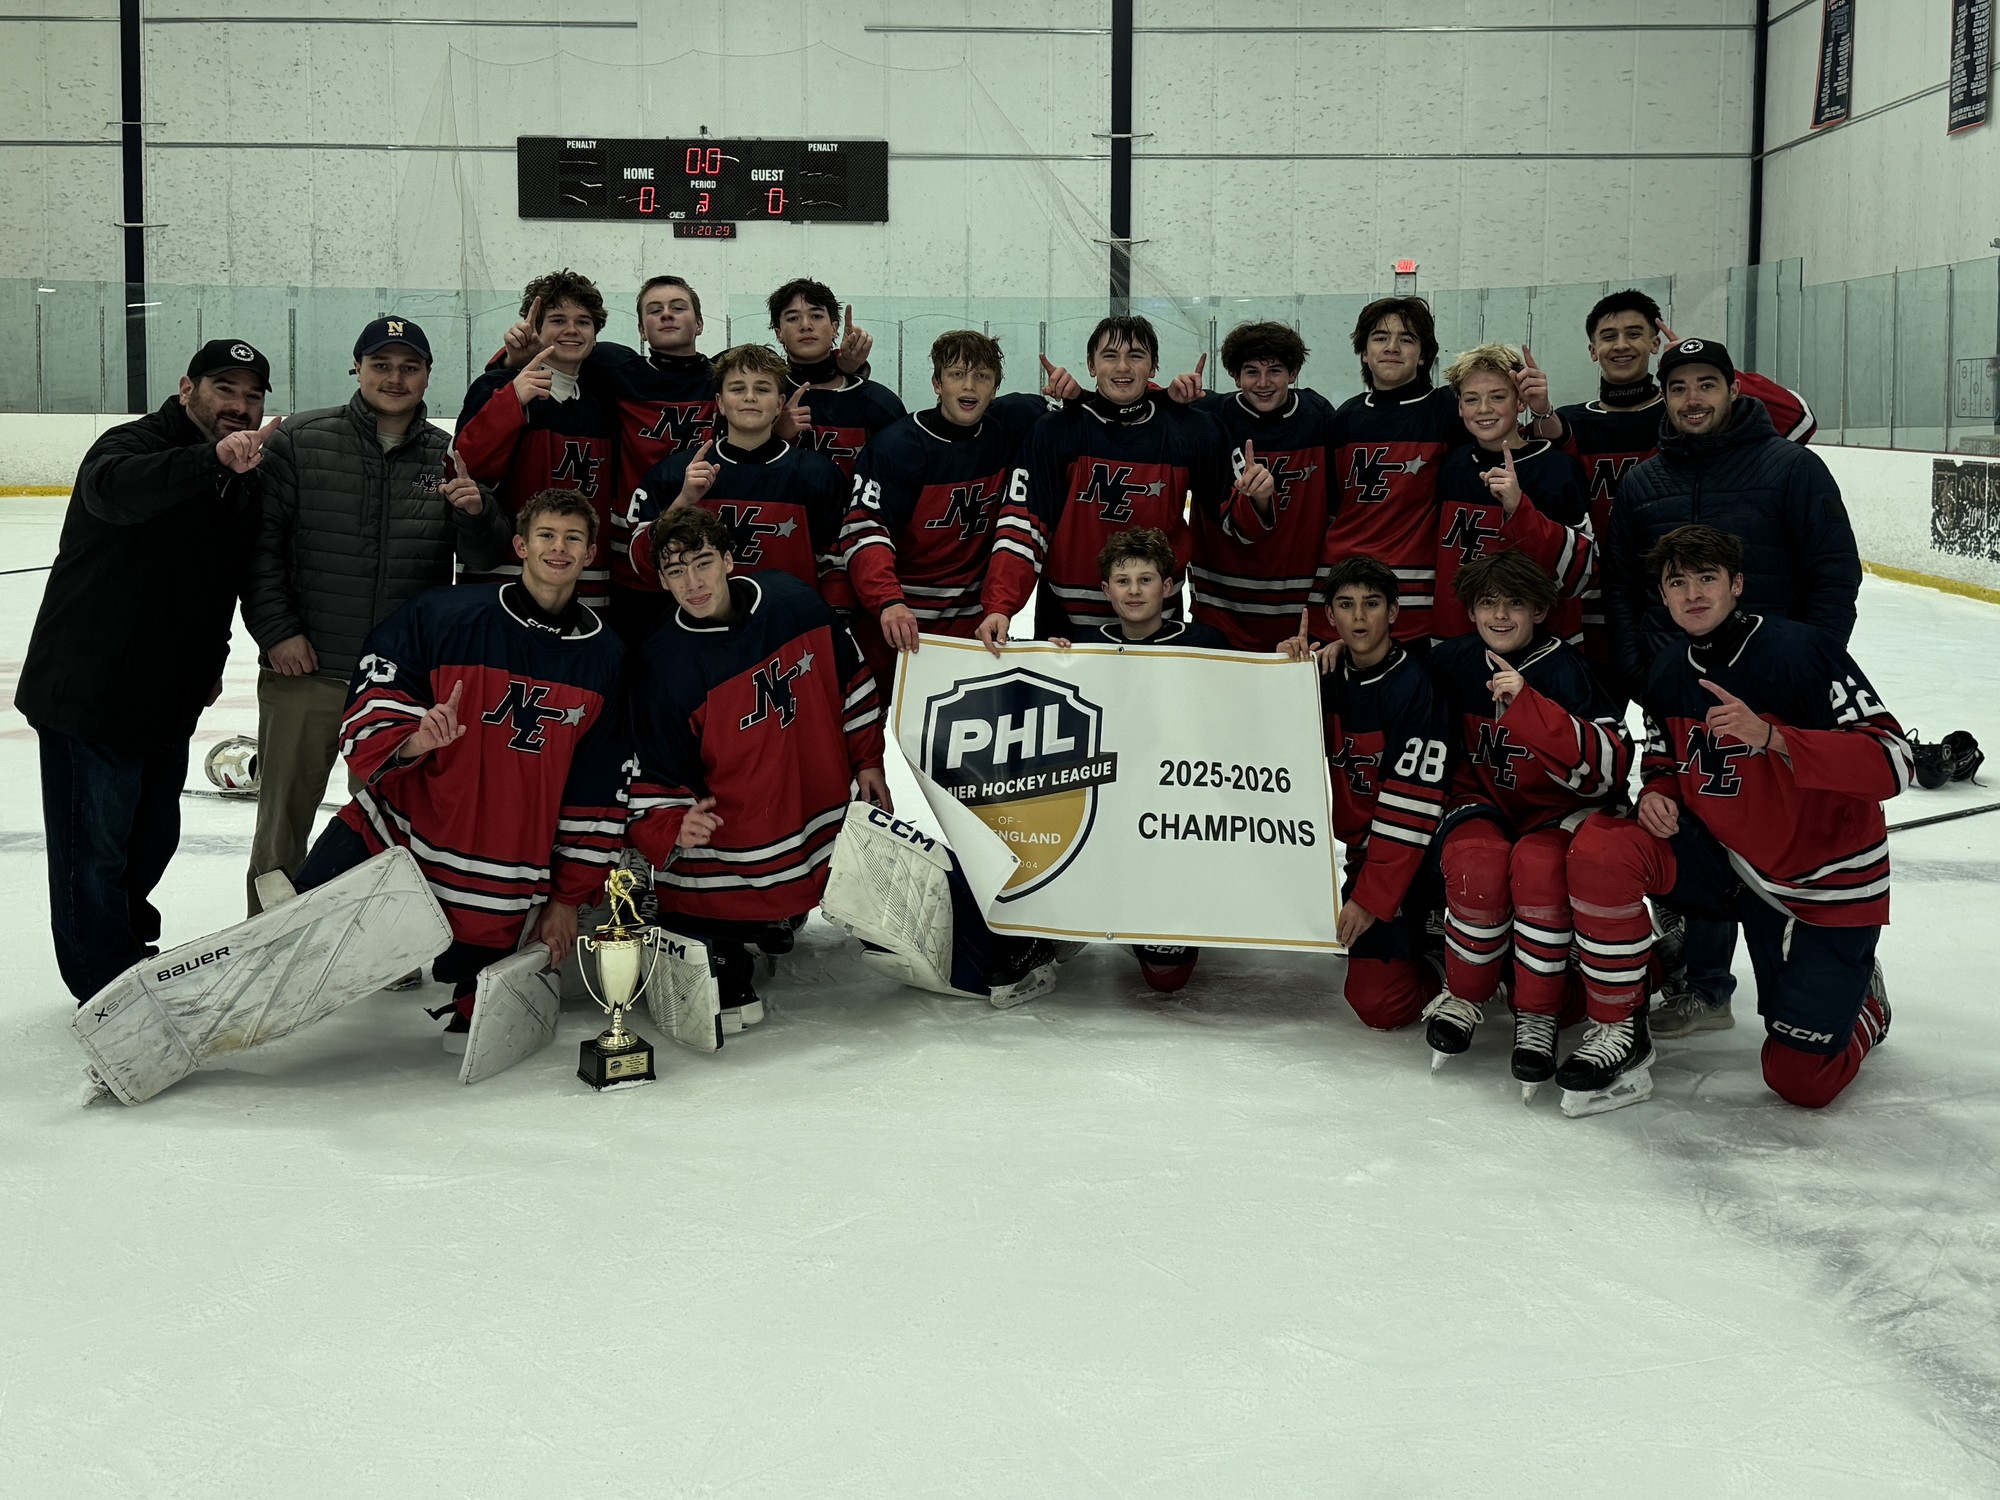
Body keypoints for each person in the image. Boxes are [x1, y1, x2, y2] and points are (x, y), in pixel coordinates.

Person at [1562, 525, 1907, 1114]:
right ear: (1664, 596)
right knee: (1602, 842)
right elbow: (1664, 761)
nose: (1693, 594)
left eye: (1707, 579)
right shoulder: (1667, 670)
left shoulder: (1802, 653)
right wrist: (1658, 792)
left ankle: (1866, 1003)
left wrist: (1775, 737)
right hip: (1730, 867)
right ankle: (1620, 1026)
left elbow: (1894, 762)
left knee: (1800, 1079)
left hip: (1826, 882)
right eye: (1678, 583)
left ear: (1737, 585)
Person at [292, 490, 627, 1049]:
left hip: (504, 869)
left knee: (473, 1014)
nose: (559, 548)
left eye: (573, 538)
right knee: (300, 931)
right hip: (405, 831)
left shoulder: (606, 656)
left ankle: (471, 988)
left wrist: (567, 899)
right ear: (520, 545)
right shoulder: (446, 615)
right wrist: (412, 738)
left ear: (590, 553)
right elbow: (378, 685)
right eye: (546, 535)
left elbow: (598, 789)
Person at [1600, 336, 1862, 1038]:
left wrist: (1808, 666)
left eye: (1706, 384)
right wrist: (1640, 665)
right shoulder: (1644, 482)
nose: (1692, 399)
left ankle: (1826, 966)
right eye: (1678, 387)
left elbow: (1834, 572)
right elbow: (1622, 584)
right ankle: (1703, 983)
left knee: (1785, 833)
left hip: (1780, 697)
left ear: (1733, 390)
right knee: (1693, 822)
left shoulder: (1790, 467)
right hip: (1679, 690)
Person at [19, 339, 279, 1003]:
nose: (239, 405)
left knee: (150, 839)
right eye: (225, 389)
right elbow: (116, 494)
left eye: (252, 395)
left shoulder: (243, 476)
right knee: (94, 849)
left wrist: (210, 663)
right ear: (187, 389)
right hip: (90, 689)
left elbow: (220, 581)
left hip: (167, 695)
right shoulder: (131, 446)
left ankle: (130, 949)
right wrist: (210, 460)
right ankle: (104, 986)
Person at [240, 316, 512, 914]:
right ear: (357, 368)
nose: (395, 378)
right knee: (283, 822)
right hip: (306, 669)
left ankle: (378, 939)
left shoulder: (449, 456)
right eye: (381, 365)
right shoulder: (301, 440)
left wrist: (477, 514)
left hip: (395, 682)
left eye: (409, 367)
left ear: (427, 375)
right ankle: (268, 937)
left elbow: (482, 559)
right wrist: (279, 632)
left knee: (387, 823)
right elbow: (260, 550)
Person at [624, 507, 890, 1026]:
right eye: (676, 571)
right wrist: (672, 823)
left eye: (703, 563)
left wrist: (868, 760)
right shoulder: (660, 662)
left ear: (729, 560)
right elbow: (651, 767)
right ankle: (731, 941)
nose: (693, 583)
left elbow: (852, 681)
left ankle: (778, 916)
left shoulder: (794, 603)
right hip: (729, 849)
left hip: (812, 819)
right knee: (708, 966)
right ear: (662, 580)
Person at [1421, 551, 1632, 1097]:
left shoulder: (1566, 669)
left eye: (1515, 603)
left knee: (1538, 866)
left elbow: (1611, 768)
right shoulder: (1453, 660)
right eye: (1488, 602)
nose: (1500, 615)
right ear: (1470, 610)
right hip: (1483, 803)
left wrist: (1532, 708)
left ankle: (1537, 1013)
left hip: (1556, 813)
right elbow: (1386, 681)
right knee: (1478, 863)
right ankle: (1465, 994)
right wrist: (1327, 656)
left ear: (1539, 610)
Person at [1522, 290, 1816, 675]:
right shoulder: (1571, 422)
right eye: (1609, 336)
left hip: (1682, 601)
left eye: (1634, 333)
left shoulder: (1688, 413)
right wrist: (1541, 413)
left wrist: (1702, 363)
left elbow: (1800, 421)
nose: (1622, 345)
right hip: (1593, 603)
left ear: (1655, 343)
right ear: (1593, 350)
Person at [983, 314, 1228, 646]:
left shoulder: (1190, 431)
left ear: (1154, 367)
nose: (1122, 367)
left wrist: (1256, 499)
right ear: (1091, 365)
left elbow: (1230, 522)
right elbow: (1023, 526)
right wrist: (1000, 606)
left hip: (1156, 614)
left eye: (1136, 356)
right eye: (1110, 356)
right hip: (1065, 617)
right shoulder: (1055, 431)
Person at [1280, 558, 1450, 1030]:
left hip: (1422, 856)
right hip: (1368, 857)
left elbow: (1413, 806)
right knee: (1376, 1001)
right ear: (1330, 616)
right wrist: (1281, 676)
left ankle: (1450, 962)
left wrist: (1370, 900)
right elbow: (1264, 749)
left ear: (1393, 612)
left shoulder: (1416, 687)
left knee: (1381, 1004)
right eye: (1346, 605)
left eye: (1371, 605)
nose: (1358, 618)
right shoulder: (1325, 676)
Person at [843, 330, 1065, 664]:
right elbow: (864, 530)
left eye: (982, 376)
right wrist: (888, 600)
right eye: (957, 374)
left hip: (975, 629)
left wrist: (1073, 395)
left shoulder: (1012, 423)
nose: (969, 386)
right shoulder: (897, 447)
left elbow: (1095, 411)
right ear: (937, 383)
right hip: (901, 622)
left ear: (995, 388)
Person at [627, 343, 848, 604]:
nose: (750, 397)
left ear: (780, 404)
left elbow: (836, 564)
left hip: (789, 621)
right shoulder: (675, 473)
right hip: (699, 620)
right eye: (737, 388)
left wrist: (834, 617)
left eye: (762, 389)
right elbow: (642, 565)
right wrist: (683, 502)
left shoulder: (818, 474)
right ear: (720, 403)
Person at [453, 269, 620, 612]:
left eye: (583, 322)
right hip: (504, 579)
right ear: (536, 331)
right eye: (558, 320)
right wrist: (510, 396)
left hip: (586, 582)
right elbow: (469, 470)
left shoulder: (601, 402)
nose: (572, 330)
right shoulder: (497, 388)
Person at [1181, 321, 1343, 651]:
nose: (1264, 383)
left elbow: (1336, 507)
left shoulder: (1318, 417)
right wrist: (1172, 399)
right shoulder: (1209, 416)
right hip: (1220, 606)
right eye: (1252, 372)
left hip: (1298, 606)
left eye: (1275, 371)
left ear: (1294, 373)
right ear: (1235, 376)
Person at [1320, 297, 1474, 646]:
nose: (1392, 347)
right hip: (1344, 586)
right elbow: (1334, 507)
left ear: (1423, 355)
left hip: (1414, 597)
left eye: (1406, 339)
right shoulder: (1344, 418)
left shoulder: (1447, 411)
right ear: (1364, 352)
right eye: (1380, 337)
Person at [1430, 343, 1593, 647]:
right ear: (1460, 407)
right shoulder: (1453, 465)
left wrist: (1520, 509)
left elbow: (1582, 571)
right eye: (1472, 399)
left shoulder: (1556, 467)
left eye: (1498, 396)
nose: (1484, 409)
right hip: (1458, 643)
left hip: (1541, 647)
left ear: (1520, 401)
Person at [768, 278, 907, 481]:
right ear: (779, 333)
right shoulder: (764, 396)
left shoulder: (879, 403)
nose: (805, 325)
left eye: (816, 316)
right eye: (792, 318)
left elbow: (899, 475)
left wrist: (849, 367)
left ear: (835, 328)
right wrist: (774, 434)